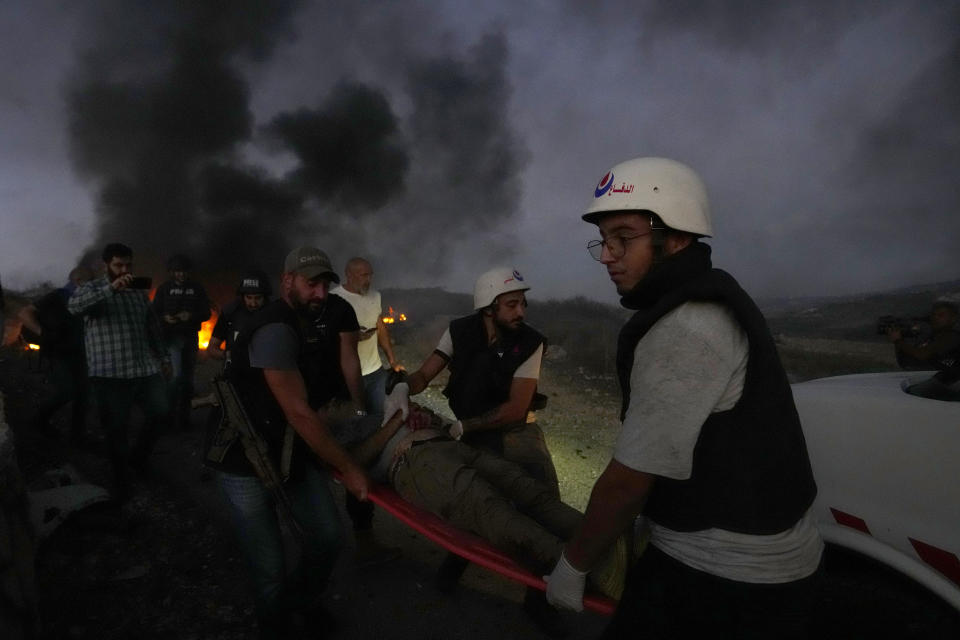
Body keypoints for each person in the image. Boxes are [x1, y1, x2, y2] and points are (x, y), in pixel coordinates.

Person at [545, 157, 823, 639]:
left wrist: (574, 563)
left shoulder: (687, 328)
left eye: (623, 239)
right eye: (603, 242)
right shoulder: (707, 298)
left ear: (675, 238)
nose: (608, 256)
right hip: (754, 563)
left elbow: (628, 481)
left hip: (723, 575)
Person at [384, 266, 561, 629]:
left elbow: (515, 408)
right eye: (512, 305)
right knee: (471, 499)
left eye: (523, 304)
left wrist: (465, 426)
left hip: (516, 434)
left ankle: (540, 597)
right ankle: (456, 561)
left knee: (543, 507)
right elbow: (423, 375)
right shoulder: (459, 331)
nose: (521, 312)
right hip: (471, 429)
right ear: (488, 307)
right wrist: (403, 385)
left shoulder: (530, 342)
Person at [206, 246, 369, 639]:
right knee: (270, 569)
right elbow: (298, 411)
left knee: (328, 537)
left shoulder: (304, 322)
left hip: (288, 450)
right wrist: (349, 468)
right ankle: (275, 625)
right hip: (243, 461)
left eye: (325, 286)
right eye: (311, 284)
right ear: (287, 282)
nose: (320, 294)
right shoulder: (275, 328)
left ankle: (299, 603)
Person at [339, 402, 627, 602]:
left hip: (449, 446)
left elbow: (435, 419)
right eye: (330, 404)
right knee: (491, 510)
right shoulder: (345, 432)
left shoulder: (378, 409)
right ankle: (588, 570)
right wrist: (396, 422)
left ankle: (610, 544)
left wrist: (425, 416)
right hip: (414, 463)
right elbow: (352, 465)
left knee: (529, 492)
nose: (337, 403)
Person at [68, 243, 173, 501]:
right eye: (118, 265)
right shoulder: (91, 289)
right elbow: (74, 306)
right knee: (116, 429)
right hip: (110, 374)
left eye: (128, 265)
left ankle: (137, 459)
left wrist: (164, 357)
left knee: (161, 413)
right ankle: (120, 480)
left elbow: (151, 327)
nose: (124, 270)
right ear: (106, 266)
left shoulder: (138, 291)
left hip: (143, 368)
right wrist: (111, 289)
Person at [18, 266, 93, 442]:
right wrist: (42, 332)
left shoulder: (85, 299)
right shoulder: (56, 296)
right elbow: (24, 313)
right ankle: (38, 421)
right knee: (66, 391)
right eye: (90, 282)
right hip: (58, 352)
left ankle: (77, 435)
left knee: (84, 394)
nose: (93, 286)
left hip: (80, 352)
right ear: (78, 281)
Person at [330, 257, 403, 423]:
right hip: (348, 376)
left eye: (370, 275)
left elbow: (381, 328)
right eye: (363, 275)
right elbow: (327, 339)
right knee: (356, 421)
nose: (368, 280)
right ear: (349, 275)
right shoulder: (333, 299)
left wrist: (392, 361)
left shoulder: (375, 296)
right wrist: (353, 336)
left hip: (376, 372)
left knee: (381, 418)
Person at [152, 254, 211, 430]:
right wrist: (165, 318)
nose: (181, 275)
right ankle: (168, 419)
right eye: (177, 271)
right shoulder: (164, 289)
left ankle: (184, 420)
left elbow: (206, 313)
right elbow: (155, 313)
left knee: (187, 380)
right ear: (171, 272)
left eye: (184, 271)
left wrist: (191, 316)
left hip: (191, 338)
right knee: (175, 378)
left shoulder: (197, 289)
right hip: (171, 339)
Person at [887, 300, 960, 400]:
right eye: (934, 315)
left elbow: (922, 354)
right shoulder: (939, 335)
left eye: (941, 315)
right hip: (948, 377)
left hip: (953, 381)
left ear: (953, 318)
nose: (935, 318)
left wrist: (898, 341)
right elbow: (914, 361)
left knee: (912, 394)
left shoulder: (952, 336)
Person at [207, 269, 272, 365]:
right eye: (249, 297)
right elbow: (212, 348)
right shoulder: (230, 313)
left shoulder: (274, 314)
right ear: (242, 296)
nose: (253, 303)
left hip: (265, 372)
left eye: (258, 298)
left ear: (265, 297)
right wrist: (226, 355)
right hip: (236, 373)